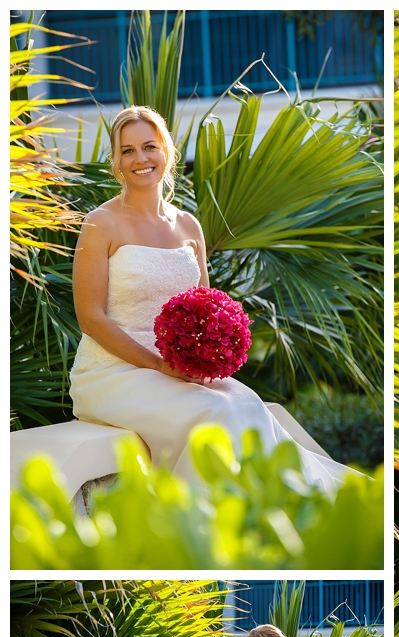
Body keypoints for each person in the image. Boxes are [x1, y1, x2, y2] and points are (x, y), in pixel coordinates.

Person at [69, 105, 356, 490]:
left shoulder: (189, 226)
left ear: (166, 151)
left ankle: (274, 511)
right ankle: (209, 526)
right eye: (128, 150)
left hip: (175, 370)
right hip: (112, 372)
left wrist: (204, 359)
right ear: (117, 163)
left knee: (248, 404)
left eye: (149, 146)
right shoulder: (100, 223)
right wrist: (159, 365)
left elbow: (207, 308)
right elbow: (91, 318)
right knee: (212, 410)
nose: (140, 158)